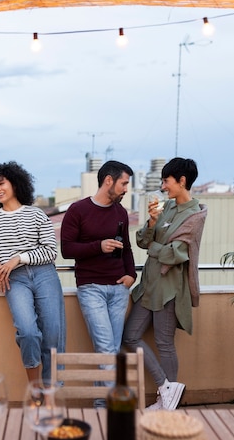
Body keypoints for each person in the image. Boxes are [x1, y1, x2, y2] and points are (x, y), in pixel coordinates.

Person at [123, 157, 207, 411]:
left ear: (182, 181)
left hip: (170, 289)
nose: (163, 186)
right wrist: (150, 223)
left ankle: (166, 403)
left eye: (166, 180)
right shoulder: (166, 208)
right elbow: (141, 241)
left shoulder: (194, 215)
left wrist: (154, 247)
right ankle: (167, 388)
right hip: (148, 285)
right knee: (130, 336)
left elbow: (177, 253)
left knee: (164, 344)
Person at [0, 161, 65, 383]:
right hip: (14, 280)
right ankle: (35, 388)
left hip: (44, 275)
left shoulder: (36, 214)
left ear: (15, 183)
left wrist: (18, 258)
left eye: (1, 183)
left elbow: (50, 251)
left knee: (53, 334)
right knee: (27, 332)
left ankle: (51, 391)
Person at [61, 160, 137, 395]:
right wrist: (99, 246)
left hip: (118, 289)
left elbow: (128, 248)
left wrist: (131, 275)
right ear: (108, 181)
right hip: (91, 287)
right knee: (106, 348)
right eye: (124, 183)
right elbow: (67, 250)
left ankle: (101, 403)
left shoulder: (121, 212)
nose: (126, 189)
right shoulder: (78, 210)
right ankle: (119, 404)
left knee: (110, 349)